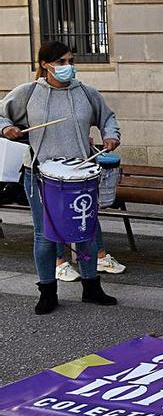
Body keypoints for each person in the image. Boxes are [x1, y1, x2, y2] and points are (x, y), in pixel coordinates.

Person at [0, 41, 120, 314]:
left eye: (71, 61)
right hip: (40, 174)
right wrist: (7, 128)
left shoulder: (87, 93)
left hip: (80, 176)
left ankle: (91, 286)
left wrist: (111, 135)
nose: (69, 67)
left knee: (85, 232)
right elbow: (0, 115)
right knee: (45, 235)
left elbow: (108, 118)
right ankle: (47, 291)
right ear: (45, 64)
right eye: (63, 62)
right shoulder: (29, 93)